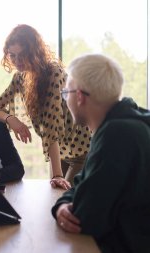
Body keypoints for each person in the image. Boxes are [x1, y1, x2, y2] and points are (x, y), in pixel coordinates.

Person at [52, 54, 150, 253]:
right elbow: (82, 182)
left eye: (66, 93)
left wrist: (64, 207)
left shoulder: (116, 135)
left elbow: (84, 219)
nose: (65, 99)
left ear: (79, 96)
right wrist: (62, 205)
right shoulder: (127, 123)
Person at [0, 24, 91, 189]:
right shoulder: (20, 78)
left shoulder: (54, 72)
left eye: (22, 55)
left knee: (66, 198)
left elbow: (51, 126)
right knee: (56, 199)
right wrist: (11, 119)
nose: (17, 61)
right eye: (12, 56)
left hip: (82, 149)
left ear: (34, 52)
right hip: (60, 152)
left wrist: (57, 175)